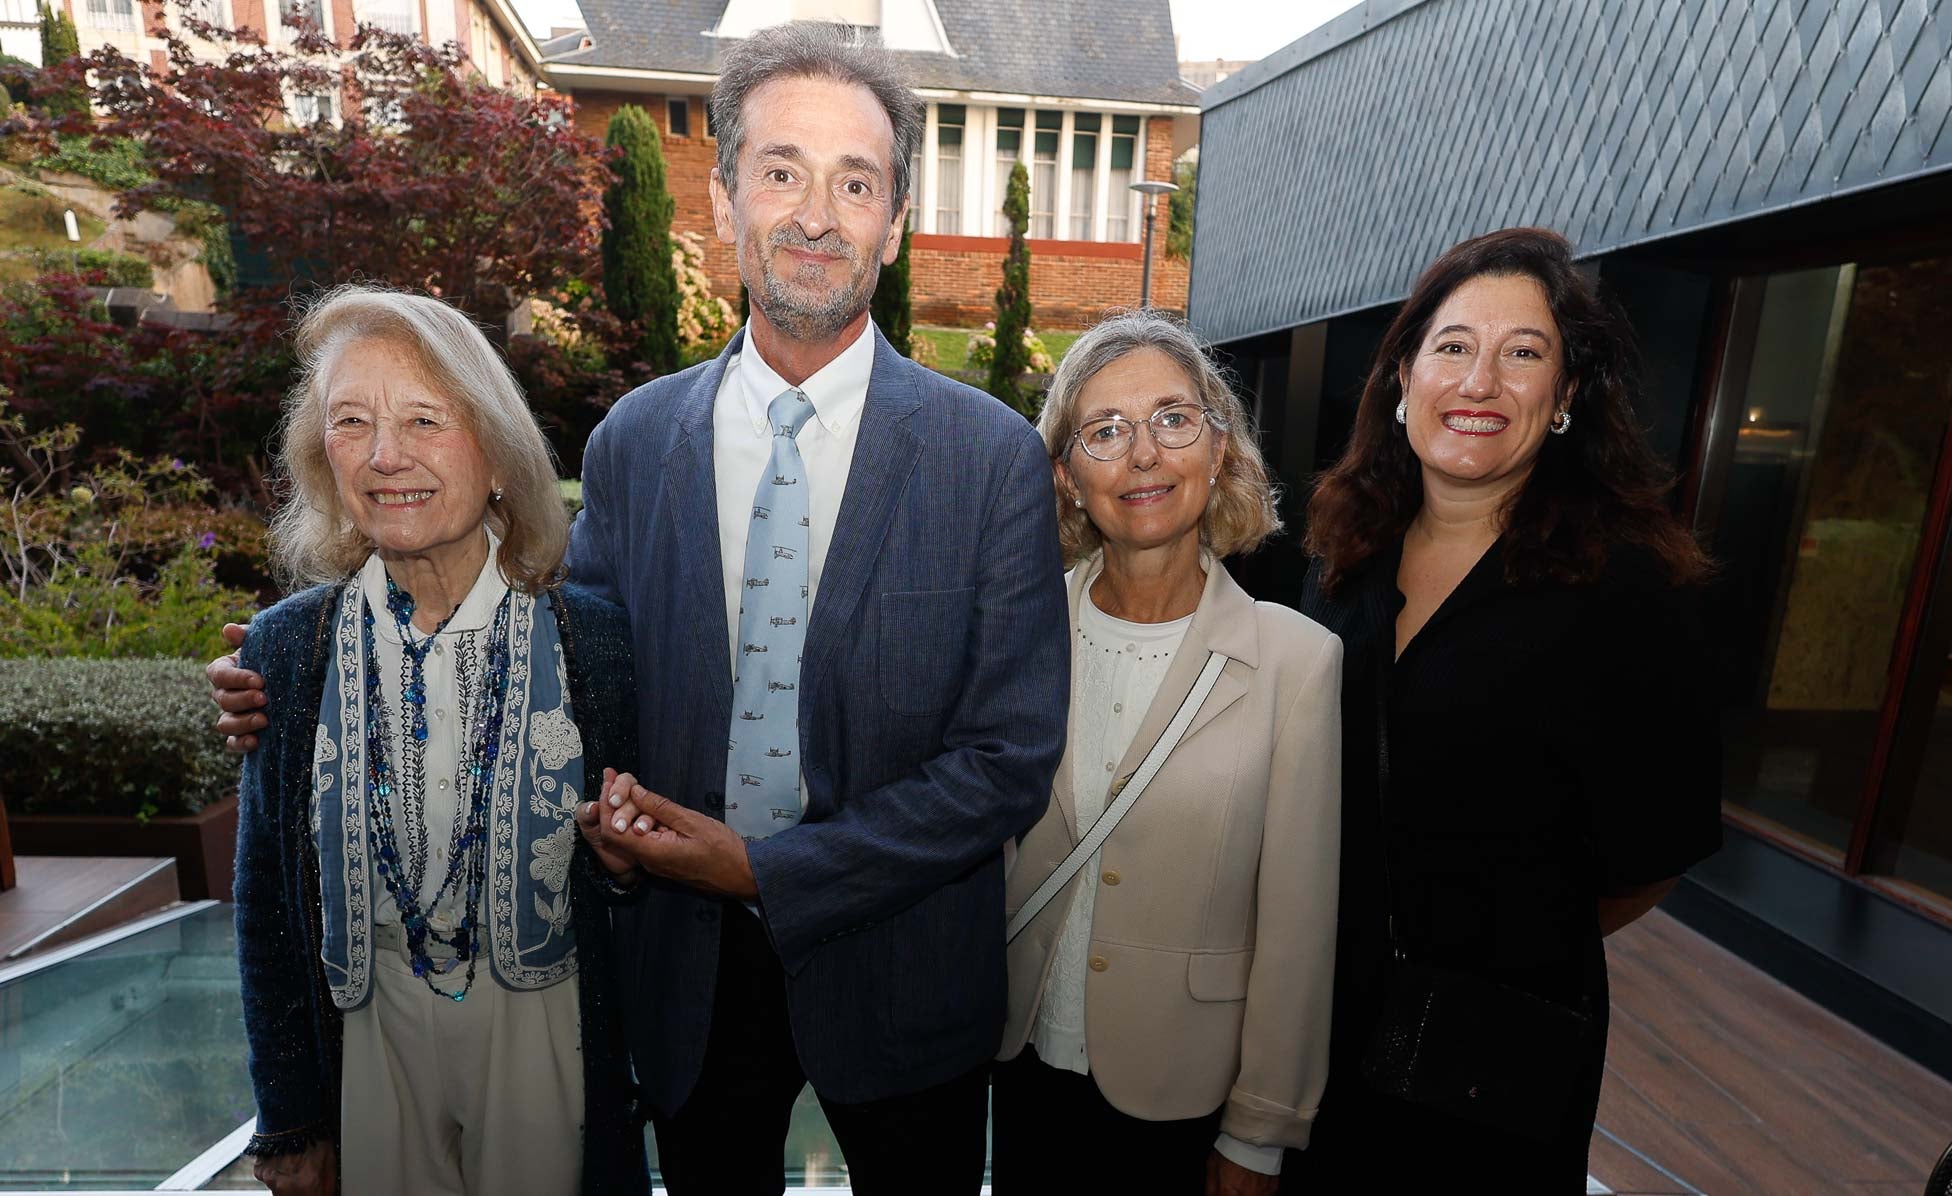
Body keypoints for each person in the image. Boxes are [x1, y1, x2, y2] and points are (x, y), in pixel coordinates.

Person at [214, 22, 1067, 1196]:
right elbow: (561, 661)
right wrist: (297, 683)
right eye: (779, 171)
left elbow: (1009, 758)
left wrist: (772, 871)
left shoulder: (992, 458)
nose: (815, 214)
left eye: (853, 182)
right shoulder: (633, 443)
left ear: (895, 218)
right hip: (681, 981)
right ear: (721, 200)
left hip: (905, 978)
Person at [1282, 227, 1721, 1191]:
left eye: (1523, 354)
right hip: (1316, 1031)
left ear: (1565, 397)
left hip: (1492, 1064)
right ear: (1402, 376)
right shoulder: (1341, 559)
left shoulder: (1631, 590)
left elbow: (1653, 854)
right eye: (1452, 347)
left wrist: (1504, 935)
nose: (1479, 381)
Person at [229, 285, 647, 1196]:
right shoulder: (287, 652)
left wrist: (627, 866)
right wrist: (292, 1115)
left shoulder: (598, 643)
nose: (386, 456)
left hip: (545, 1030)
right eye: (351, 423)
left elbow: (651, 874)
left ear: (498, 455)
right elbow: (266, 899)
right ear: (320, 459)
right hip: (366, 1032)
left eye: (425, 418)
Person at [992, 310, 1341, 1196]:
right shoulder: (1013, 633)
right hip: (1019, 1064)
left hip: (1188, 1096)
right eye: (1104, 432)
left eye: (1173, 419)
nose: (1143, 455)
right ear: (1067, 477)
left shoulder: (1296, 662)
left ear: (1217, 448)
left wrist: (1260, 1131)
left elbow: (1299, 927)